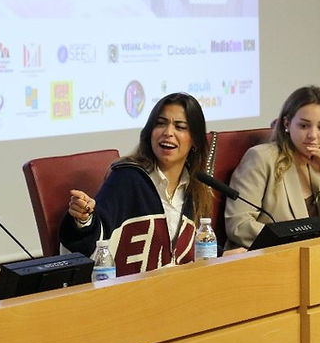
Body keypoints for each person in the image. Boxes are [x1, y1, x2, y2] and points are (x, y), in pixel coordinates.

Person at [60, 92, 213, 276]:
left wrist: (224, 255)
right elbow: (96, 238)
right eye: (160, 123)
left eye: (180, 127)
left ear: (195, 141)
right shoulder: (127, 178)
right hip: (129, 294)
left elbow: (194, 253)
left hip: (180, 291)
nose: (168, 132)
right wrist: (84, 219)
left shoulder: (196, 189)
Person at [224, 85, 320, 249]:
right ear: (287, 124)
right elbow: (238, 225)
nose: (313, 135)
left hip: (319, 258)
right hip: (270, 259)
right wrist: (290, 242)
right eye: (304, 126)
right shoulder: (261, 158)